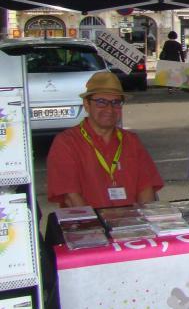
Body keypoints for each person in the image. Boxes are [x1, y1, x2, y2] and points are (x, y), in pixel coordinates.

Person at [46, 71, 163, 208]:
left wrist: (145, 219)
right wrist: (97, 222)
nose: (109, 109)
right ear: (86, 104)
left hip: (131, 220)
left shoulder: (131, 141)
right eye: (101, 102)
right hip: (89, 220)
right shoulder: (67, 142)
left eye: (116, 102)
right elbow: (71, 198)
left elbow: (146, 190)